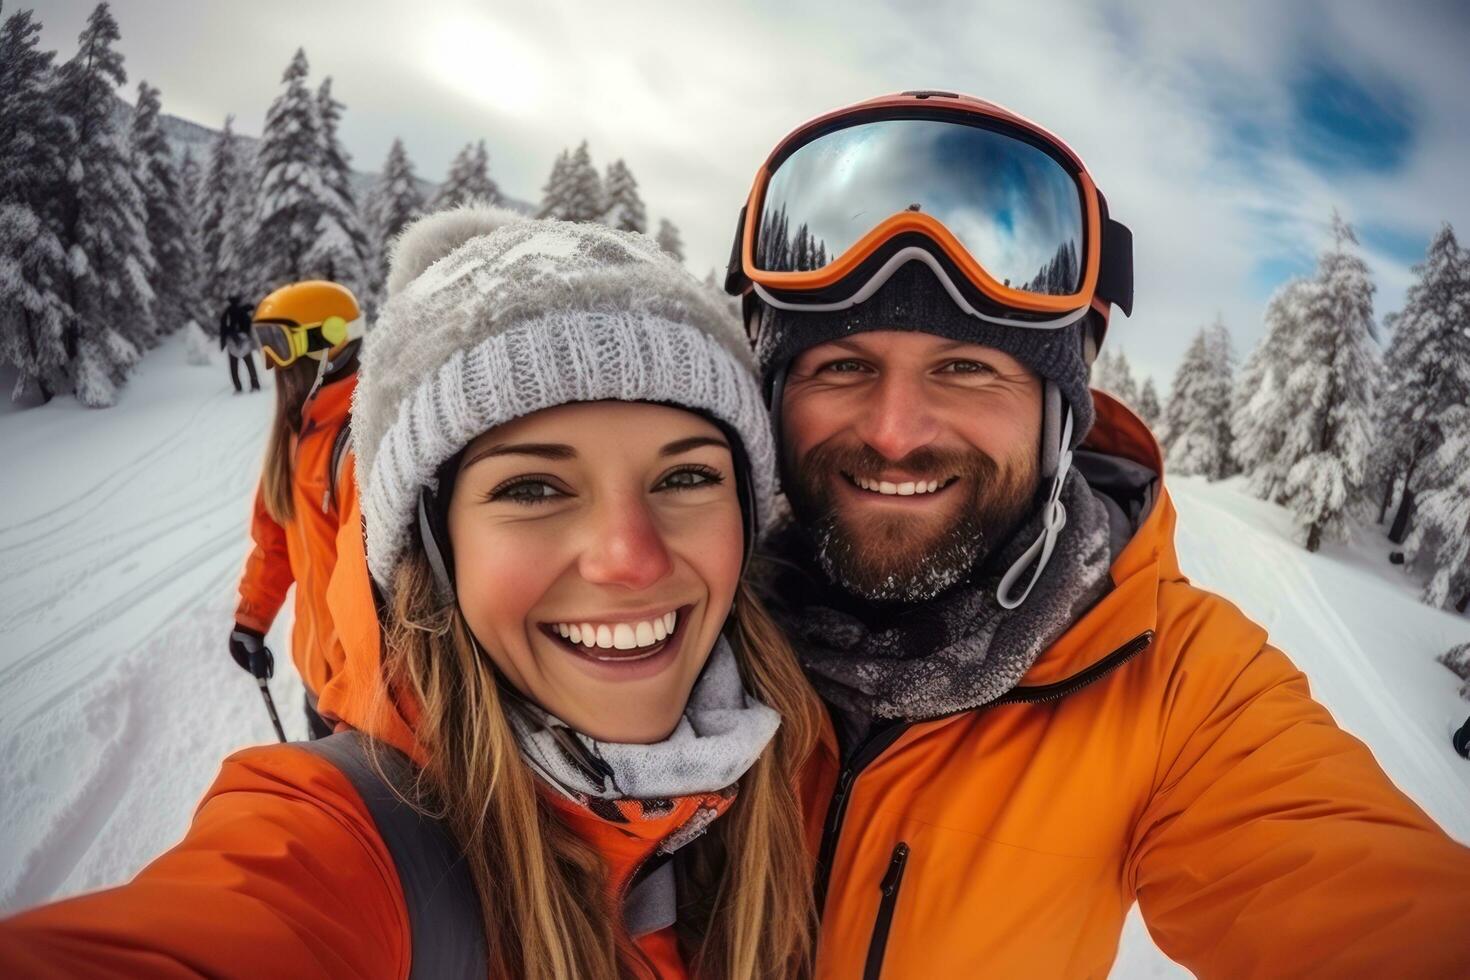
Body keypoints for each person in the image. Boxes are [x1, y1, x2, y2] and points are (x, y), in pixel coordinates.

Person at [723, 92, 1470, 976]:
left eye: (966, 370)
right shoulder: (675, 617)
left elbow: (1366, 902)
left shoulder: (1172, 683)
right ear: (771, 399)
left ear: (1056, 419)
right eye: (843, 366)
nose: (894, 430)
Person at [0, 211, 822, 979]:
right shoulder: (354, 838)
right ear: (432, 547)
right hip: (357, 685)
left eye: (686, 476)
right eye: (534, 489)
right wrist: (256, 617)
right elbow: (274, 543)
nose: (629, 561)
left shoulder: (801, 783)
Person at [229, 280, 364, 740]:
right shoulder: (294, 434)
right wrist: (252, 617)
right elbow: (275, 541)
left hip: (363, 700)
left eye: (282, 348)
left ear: (330, 342)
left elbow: (382, 593)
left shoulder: (359, 448)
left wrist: (364, 694)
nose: (273, 366)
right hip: (317, 679)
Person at [218, 293, 261, 393]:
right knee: (250, 364)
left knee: (234, 367)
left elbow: (223, 329)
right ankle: (255, 385)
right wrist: (249, 337)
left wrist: (223, 343)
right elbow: (248, 325)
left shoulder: (227, 313)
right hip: (244, 341)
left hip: (232, 343)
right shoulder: (242, 311)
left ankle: (238, 387)